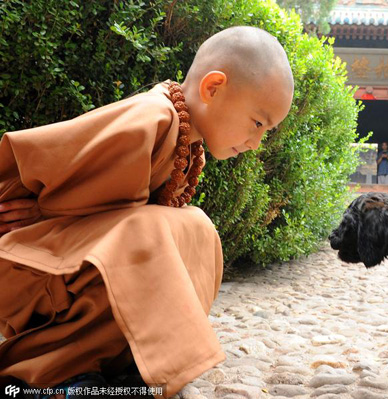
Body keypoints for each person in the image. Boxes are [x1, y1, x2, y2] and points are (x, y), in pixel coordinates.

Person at [0, 26, 294, 399]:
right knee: (149, 233)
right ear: (213, 87)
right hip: (31, 263)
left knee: (193, 229)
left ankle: (125, 366)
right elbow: (55, 171)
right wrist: (41, 211)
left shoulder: (183, 142)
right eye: (257, 124)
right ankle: (53, 372)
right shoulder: (150, 118)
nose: (256, 143)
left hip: (74, 261)